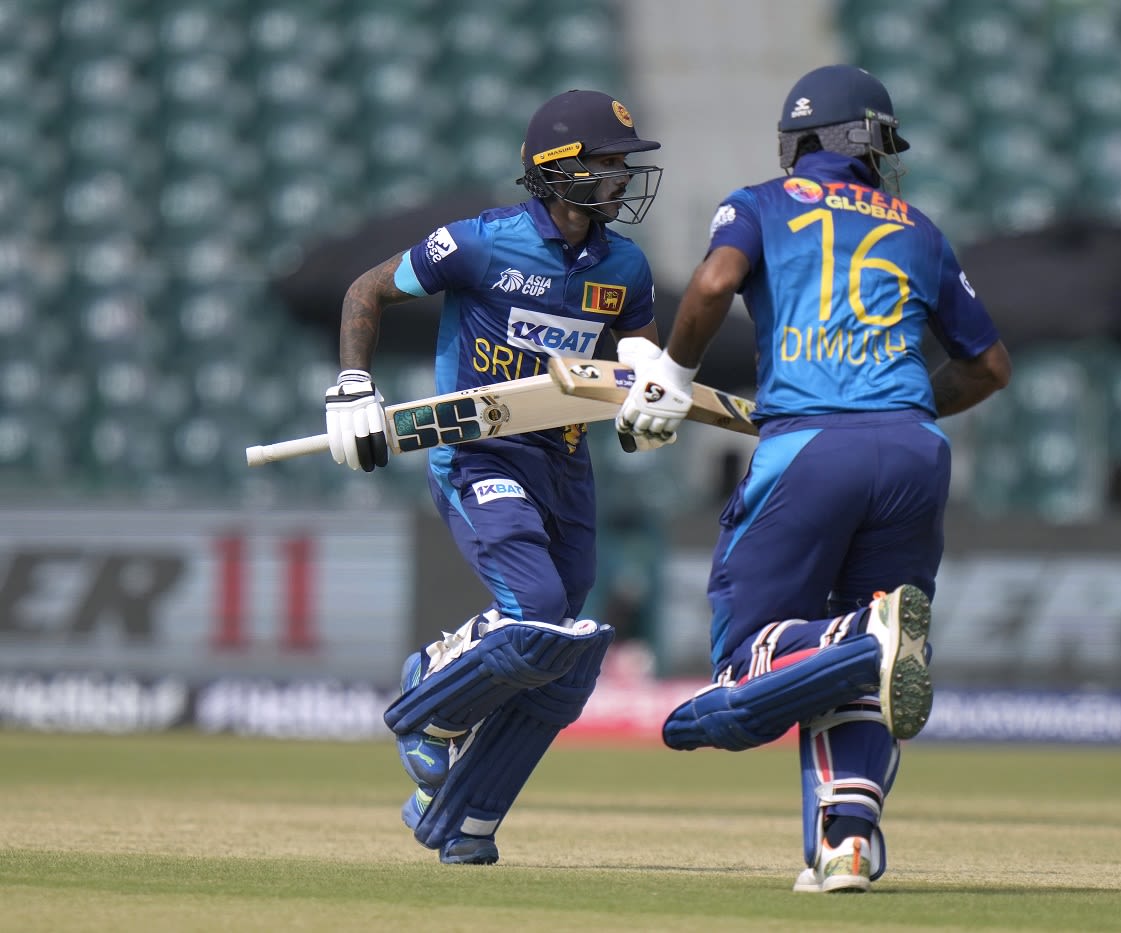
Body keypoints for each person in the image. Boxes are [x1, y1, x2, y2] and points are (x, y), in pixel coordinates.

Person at [617, 64, 1012, 893]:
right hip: (913, 451)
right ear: (868, 144)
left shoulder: (760, 201)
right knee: (865, 672)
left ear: (798, 142)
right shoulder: (922, 228)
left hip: (810, 445)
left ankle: (855, 636)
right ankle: (849, 843)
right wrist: (902, 412)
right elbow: (990, 366)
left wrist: (673, 379)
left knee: (744, 666)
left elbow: (716, 282)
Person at [323, 88, 670, 865]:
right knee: (539, 608)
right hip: (478, 451)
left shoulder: (625, 265)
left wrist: (649, 395)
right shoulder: (480, 244)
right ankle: (427, 694)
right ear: (556, 170)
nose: (621, 178)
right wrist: (352, 385)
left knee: (564, 657)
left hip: (566, 462)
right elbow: (367, 288)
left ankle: (457, 814)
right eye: (607, 163)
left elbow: (637, 360)